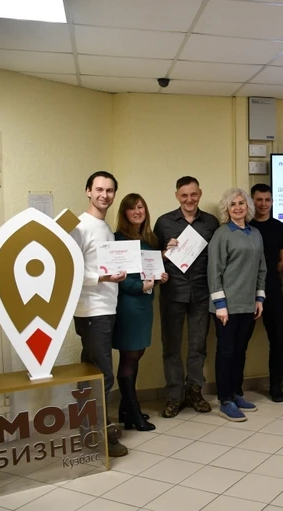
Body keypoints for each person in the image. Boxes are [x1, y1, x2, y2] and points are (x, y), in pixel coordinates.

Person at [70, 171, 128, 457]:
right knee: (102, 375)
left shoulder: (104, 227)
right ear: (88, 191)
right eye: (99, 189)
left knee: (91, 372)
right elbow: (70, 272)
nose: (104, 195)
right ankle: (98, 435)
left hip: (106, 308)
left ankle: (89, 431)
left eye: (110, 190)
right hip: (91, 311)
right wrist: (104, 278)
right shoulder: (80, 227)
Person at [154, 176, 219, 418]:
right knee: (171, 346)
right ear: (177, 196)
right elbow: (150, 259)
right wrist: (164, 252)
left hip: (202, 293)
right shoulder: (164, 223)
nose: (189, 199)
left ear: (199, 194)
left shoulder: (211, 223)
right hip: (172, 293)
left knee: (198, 346)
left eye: (193, 194)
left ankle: (194, 392)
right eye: (184, 195)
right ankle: (174, 395)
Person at [208, 188, 266, 422]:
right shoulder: (222, 234)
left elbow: (261, 268)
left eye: (241, 203)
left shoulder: (255, 233)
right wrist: (220, 305)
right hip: (226, 307)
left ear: (248, 206)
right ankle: (225, 400)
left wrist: (259, 298)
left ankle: (236, 393)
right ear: (227, 209)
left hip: (248, 305)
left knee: (240, 351)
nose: (238, 207)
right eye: (233, 204)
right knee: (226, 352)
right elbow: (214, 271)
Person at [112, 193, 168, 432]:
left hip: (144, 305)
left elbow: (147, 271)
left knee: (137, 354)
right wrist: (141, 286)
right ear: (124, 213)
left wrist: (159, 277)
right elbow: (120, 278)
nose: (137, 212)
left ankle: (126, 411)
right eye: (132, 208)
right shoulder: (118, 239)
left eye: (141, 207)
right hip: (128, 305)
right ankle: (133, 413)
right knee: (129, 356)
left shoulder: (148, 238)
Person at [248, 184, 283, 403]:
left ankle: (276, 385)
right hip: (245, 291)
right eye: (259, 199)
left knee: (277, 340)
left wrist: (266, 277)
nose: (263, 204)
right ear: (252, 201)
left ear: (272, 202)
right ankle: (235, 387)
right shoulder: (244, 226)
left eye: (267, 200)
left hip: (272, 289)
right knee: (240, 341)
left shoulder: (281, 228)